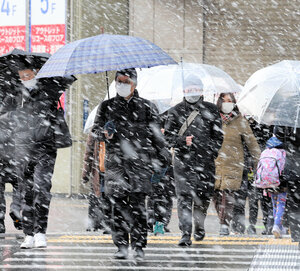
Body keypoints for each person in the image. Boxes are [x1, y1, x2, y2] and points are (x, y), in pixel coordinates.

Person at [92, 68, 170, 260]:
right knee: (117, 207)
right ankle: (121, 246)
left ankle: (138, 245)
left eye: (126, 82)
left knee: (138, 207)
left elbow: (157, 138)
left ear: (134, 84)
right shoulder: (106, 106)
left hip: (140, 164)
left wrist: (162, 160)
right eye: (119, 81)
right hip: (116, 164)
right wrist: (104, 133)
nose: (122, 85)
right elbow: (95, 131)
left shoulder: (147, 107)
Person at [11, 61, 73, 248]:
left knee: (42, 189)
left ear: (36, 74)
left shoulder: (49, 91)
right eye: (22, 77)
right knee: (26, 192)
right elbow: (4, 117)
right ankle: (28, 233)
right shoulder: (16, 96)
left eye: (28, 76)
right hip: (22, 149)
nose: (25, 80)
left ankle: (40, 232)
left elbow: (61, 89)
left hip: (45, 149)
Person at [164, 77, 223, 246]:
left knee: (202, 197)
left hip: (205, 163)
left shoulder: (211, 109)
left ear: (201, 90)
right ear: (183, 91)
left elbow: (218, 136)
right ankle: (185, 232)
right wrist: (182, 141)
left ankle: (199, 225)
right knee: (183, 197)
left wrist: (210, 152)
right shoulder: (175, 111)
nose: (192, 93)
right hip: (183, 163)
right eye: (188, 89)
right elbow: (167, 137)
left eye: (195, 89)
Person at [213, 93, 261, 236]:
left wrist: (259, 162)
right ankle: (225, 222)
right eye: (225, 101)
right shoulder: (213, 119)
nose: (227, 103)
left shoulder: (240, 121)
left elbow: (252, 144)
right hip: (215, 164)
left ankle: (224, 225)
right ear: (219, 102)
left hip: (234, 165)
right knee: (215, 195)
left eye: (230, 101)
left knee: (227, 196)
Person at [0, 83, 22, 233]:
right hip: (18, 154)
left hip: (1, 154)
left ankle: (0, 220)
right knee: (20, 185)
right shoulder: (21, 110)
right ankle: (16, 209)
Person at [273, 126, 300, 243]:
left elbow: (278, 136)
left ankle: (296, 233)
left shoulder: (288, 117)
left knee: (294, 202)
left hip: (293, 166)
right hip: (293, 166)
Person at [81, 132, 111, 233]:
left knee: (103, 197)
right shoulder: (95, 133)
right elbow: (88, 155)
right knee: (98, 197)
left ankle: (102, 223)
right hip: (100, 172)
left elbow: (88, 155)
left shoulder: (98, 132)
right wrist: (85, 174)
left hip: (108, 171)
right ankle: (97, 223)